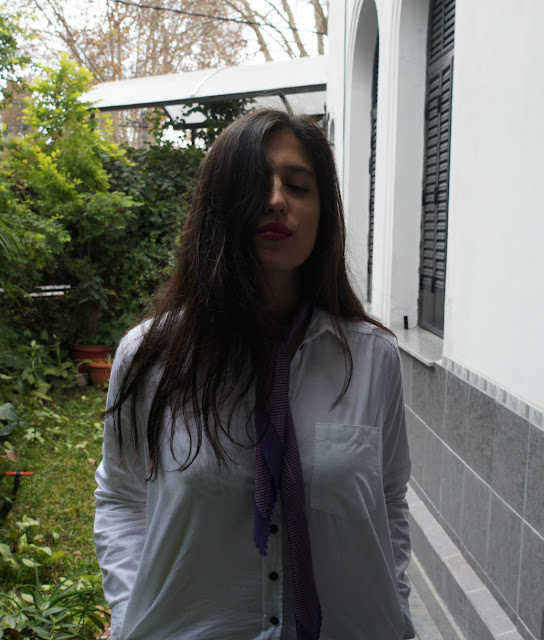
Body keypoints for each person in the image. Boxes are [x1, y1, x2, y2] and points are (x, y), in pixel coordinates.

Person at [94, 109, 416, 640]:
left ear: (323, 214)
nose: (276, 200)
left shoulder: (371, 357)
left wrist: (395, 610)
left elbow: (388, 500)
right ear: (218, 207)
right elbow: (122, 498)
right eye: (253, 182)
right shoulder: (151, 357)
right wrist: (131, 616)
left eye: (299, 186)